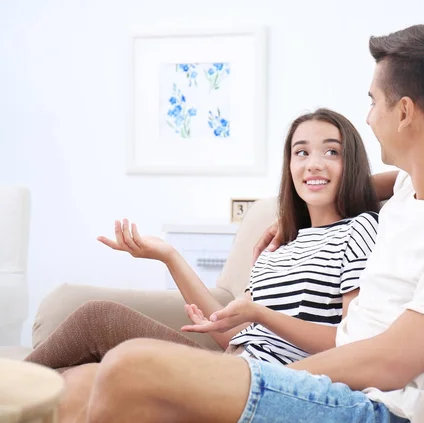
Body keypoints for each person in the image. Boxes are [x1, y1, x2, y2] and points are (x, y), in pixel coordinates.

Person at [74, 24, 424, 423]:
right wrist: (293, 211)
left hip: (374, 407)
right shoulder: (415, 187)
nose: (369, 118)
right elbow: (375, 185)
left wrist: (261, 378)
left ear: (406, 112)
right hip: (334, 388)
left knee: (130, 367)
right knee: (80, 389)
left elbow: (392, 363)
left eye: (374, 103)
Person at [24, 108, 380, 416]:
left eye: (331, 152)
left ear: (350, 164)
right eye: (300, 153)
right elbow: (234, 333)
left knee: (97, 322)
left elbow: (351, 344)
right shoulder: (277, 245)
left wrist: (261, 314)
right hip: (232, 366)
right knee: (80, 368)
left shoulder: (358, 230)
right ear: (289, 166)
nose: (313, 163)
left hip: (273, 388)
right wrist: (168, 256)